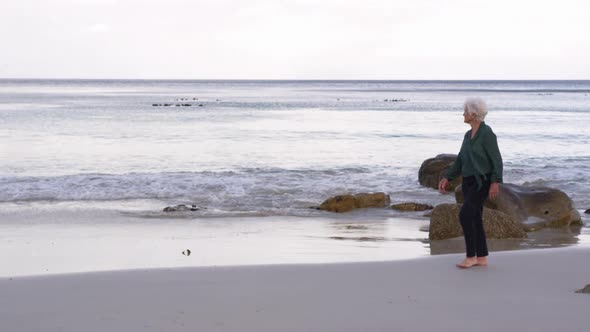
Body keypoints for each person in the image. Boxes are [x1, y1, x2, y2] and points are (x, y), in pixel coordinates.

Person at [438, 98, 503, 269]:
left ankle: (470, 256)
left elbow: (496, 159)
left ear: (473, 114)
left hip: (482, 182)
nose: (463, 114)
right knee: (475, 218)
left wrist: (495, 182)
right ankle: (481, 257)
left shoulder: (487, 133)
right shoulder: (468, 135)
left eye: (465, 112)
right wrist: (447, 177)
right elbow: (460, 159)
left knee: (465, 215)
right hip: (467, 182)